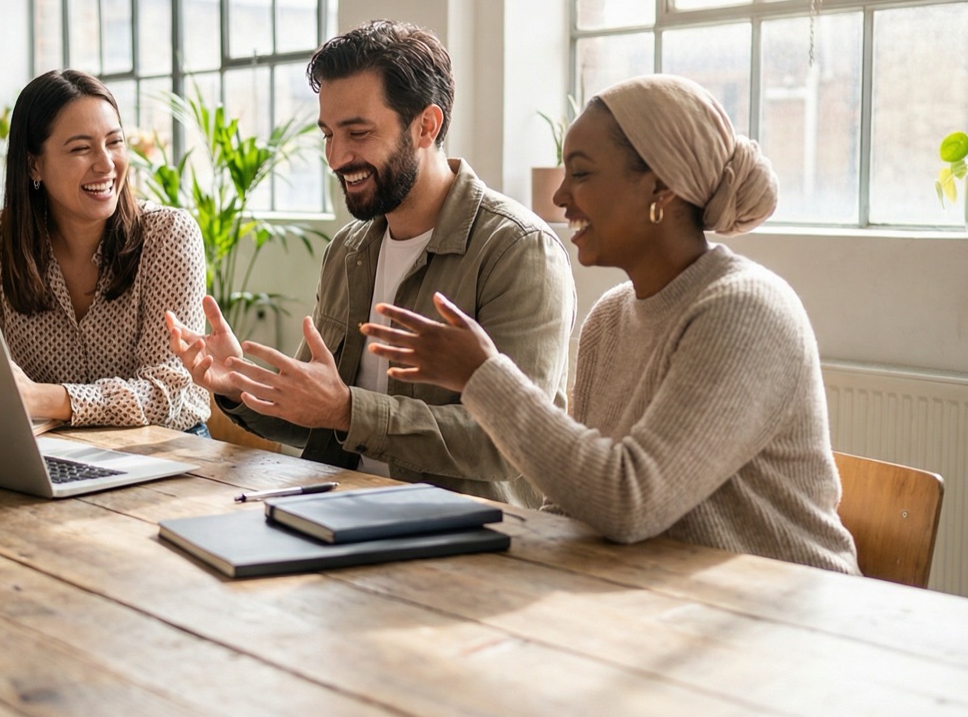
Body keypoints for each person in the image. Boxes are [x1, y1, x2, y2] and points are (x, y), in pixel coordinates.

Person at [362, 74, 859, 573]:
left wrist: (480, 376)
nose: (559, 197)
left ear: (660, 187)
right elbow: (572, 504)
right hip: (659, 594)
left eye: (580, 174)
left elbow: (629, 503)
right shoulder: (611, 317)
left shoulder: (743, 310)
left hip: (787, 614)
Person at [165, 20, 575, 504]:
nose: (336, 157)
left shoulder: (517, 250)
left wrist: (348, 411)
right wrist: (238, 382)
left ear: (427, 126)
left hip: (463, 533)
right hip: (338, 508)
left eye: (358, 133)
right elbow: (314, 411)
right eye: (328, 135)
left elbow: (512, 444)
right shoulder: (348, 250)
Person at [0, 69, 211, 434]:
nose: (106, 164)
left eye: (115, 142)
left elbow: (165, 392)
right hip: (49, 446)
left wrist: (48, 399)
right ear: (34, 164)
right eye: (81, 148)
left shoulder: (168, 236)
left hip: (163, 447)